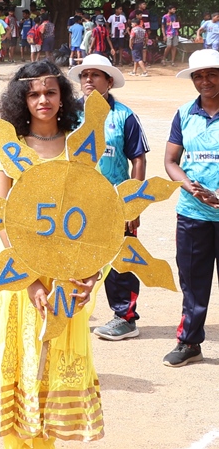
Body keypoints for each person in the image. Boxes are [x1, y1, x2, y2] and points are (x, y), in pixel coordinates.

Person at [0, 61, 100, 449]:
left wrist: (88, 267)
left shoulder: (79, 148)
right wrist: (30, 280)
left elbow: (91, 211)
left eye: (51, 92)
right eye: (33, 94)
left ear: (63, 97)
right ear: (21, 100)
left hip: (67, 273)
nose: (43, 100)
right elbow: (3, 216)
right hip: (18, 273)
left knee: (53, 357)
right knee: (18, 356)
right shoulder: (10, 146)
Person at [62, 54, 150, 342]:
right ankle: (68, 310)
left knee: (120, 258)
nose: (88, 80)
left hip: (114, 200)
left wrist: (133, 203)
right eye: (84, 75)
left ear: (109, 81)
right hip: (76, 200)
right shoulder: (69, 114)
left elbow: (138, 159)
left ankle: (125, 318)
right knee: (73, 255)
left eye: (96, 75)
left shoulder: (124, 115)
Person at [161, 48, 219, 367]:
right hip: (192, 214)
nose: (204, 81)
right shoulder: (184, 114)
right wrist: (188, 186)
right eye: (198, 76)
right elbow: (171, 161)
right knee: (193, 282)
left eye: (211, 74)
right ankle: (190, 342)